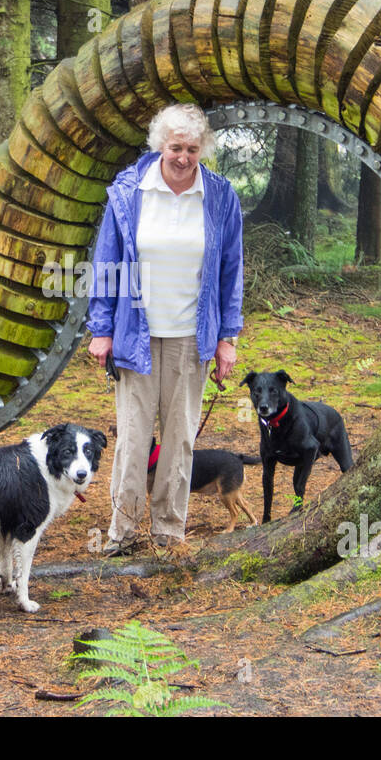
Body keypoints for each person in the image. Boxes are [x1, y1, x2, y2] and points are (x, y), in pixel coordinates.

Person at [86, 103, 244, 554]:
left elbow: (232, 270)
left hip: (192, 336)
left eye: (192, 149)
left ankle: (169, 530)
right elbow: (107, 268)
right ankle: (123, 532)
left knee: (180, 440)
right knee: (134, 438)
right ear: (160, 146)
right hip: (135, 334)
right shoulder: (129, 192)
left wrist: (227, 337)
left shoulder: (219, 196)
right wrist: (102, 330)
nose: (183, 157)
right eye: (176, 147)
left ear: (202, 150)